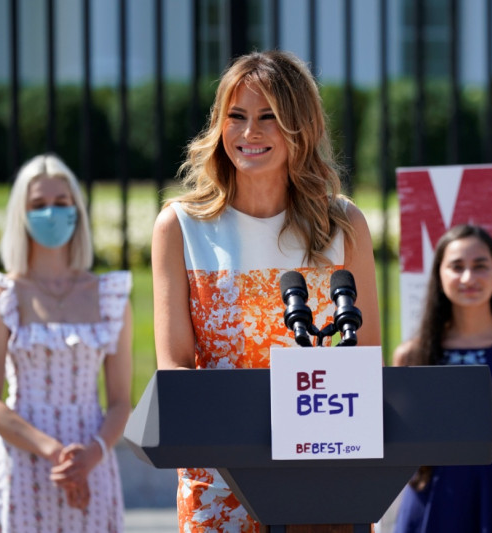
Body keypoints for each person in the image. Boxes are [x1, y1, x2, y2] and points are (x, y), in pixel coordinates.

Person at [151, 50, 381, 531]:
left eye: (268, 117)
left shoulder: (344, 224)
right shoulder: (181, 227)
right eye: (236, 117)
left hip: (321, 477)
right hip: (219, 477)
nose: (249, 132)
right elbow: (174, 367)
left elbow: (367, 358)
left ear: (301, 127)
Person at [0, 153, 133, 532]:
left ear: (76, 210)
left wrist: (92, 453)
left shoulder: (109, 295)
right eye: (38, 205)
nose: (51, 213)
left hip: (92, 460)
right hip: (21, 463)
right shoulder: (3, 295)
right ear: (21, 215)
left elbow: (122, 401)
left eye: (61, 203)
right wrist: (53, 451)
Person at [392, 224, 492, 533]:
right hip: (429, 505)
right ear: (440, 275)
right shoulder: (410, 356)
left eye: (480, 266)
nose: (468, 278)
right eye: (456, 267)